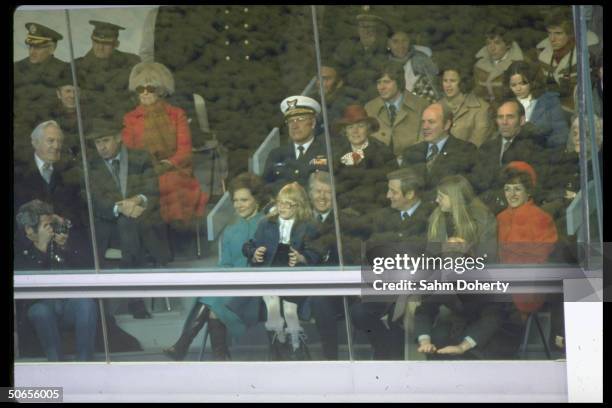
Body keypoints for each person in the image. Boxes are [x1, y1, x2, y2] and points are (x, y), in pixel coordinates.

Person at [164, 173, 268, 361]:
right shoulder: (230, 230)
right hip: (231, 288)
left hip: (256, 290)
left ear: (256, 200)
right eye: (235, 200)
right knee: (212, 301)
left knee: (213, 305)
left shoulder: (266, 224)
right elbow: (225, 265)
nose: (238, 205)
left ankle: (185, 345)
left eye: (244, 200)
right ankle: (219, 358)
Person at [351, 167, 434, 360]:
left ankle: (388, 361)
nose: (388, 195)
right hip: (383, 284)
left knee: (398, 313)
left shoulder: (430, 216)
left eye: (393, 191)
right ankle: (383, 348)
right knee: (359, 312)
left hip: (414, 285)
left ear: (411, 193)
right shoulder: (383, 216)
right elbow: (369, 252)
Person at [122, 62, 208, 233]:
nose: (145, 92)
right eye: (140, 89)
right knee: (151, 185)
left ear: (161, 90)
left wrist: (167, 164)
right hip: (143, 171)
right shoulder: (130, 118)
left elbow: (185, 150)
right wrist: (148, 167)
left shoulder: (177, 114)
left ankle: (176, 231)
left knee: (171, 182)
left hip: (175, 168)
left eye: (150, 88)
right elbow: (129, 151)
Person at [243, 182, 321, 359]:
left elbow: (316, 252)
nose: (283, 207)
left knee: (289, 311)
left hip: (294, 275)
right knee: (272, 306)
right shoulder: (266, 223)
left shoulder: (308, 225)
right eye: (280, 202)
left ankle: (295, 344)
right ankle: (279, 343)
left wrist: (302, 258)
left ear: (299, 206)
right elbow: (249, 246)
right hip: (270, 271)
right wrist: (254, 253)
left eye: (289, 204)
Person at [14, 200, 98, 361]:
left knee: (86, 304)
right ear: (29, 230)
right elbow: (26, 279)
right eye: (46, 225)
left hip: (67, 305)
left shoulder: (61, 240)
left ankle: (85, 363)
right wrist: (41, 247)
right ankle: (56, 362)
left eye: (51, 224)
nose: (51, 229)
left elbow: (88, 268)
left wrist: (65, 246)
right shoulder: (19, 247)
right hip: (40, 308)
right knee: (41, 311)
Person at [87, 118, 171, 269]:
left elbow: (152, 190)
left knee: (134, 222)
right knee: (126, 222)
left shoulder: (141, 157)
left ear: (118, 138)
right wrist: (120, 208)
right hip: (109, 224)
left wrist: (137, 200)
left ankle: (132, 273)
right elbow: (95, 199)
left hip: (141, 216)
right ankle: (137, 272)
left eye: (105, 140)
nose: (102, 147)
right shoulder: (90, 165)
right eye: (97, 142)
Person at [496, 162, 559, 342]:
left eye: (517, 189)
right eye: (507, 189)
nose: (512, 194)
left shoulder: (541, 217)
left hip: (528, 285)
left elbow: (542, 257)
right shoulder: (500, 217)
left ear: (528, 191)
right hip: (504, 284)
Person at [472, 99, 546, 214]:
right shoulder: (487, 147)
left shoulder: (533, 147)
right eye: (500, 117)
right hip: (485, 203)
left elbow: (532, 186)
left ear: (521, 120)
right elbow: (477, 179)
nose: (504, 122)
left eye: (510, 117)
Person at [400, 103, 477, 201]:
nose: (425, 127)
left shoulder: (465, 150)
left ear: (447, 125)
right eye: (423, 122)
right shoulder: (411, 152)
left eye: (431, 122)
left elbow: (460, 190)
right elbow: (403, 187)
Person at [332, 104, 396, 214]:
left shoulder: (383, 152)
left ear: (368, 128)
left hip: (374, 212)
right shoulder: (336, 154)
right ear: (345, 131)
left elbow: (389, 189)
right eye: (350, 127)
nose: (355, 131)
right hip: (342, 211)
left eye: (360, 126)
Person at [75, 20, 142, 123]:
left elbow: (140, 95)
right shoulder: (77, 67)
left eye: (106, 44)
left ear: (116, 44)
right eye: (96, 42)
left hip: (126, 120)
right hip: (93, 124)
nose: (100, 48)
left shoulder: (132, 63)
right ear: (92, 41)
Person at [536, 8, 599, 115]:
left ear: (571, 34)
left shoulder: (588, 55)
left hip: (580, 114)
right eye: (549, 33)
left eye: (558, 33)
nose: (552, 39)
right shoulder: (542, 54)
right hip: (550, 113)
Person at [263, 95, 329, 194]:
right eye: (290, 121)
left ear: (313, 122)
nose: (294, 126)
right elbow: (265, 186)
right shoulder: (277, 154)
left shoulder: (326, 151)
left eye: (301, 119)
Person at [365, 62, 429, 162]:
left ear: (399, 82)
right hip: (379, 166)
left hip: (413, 165)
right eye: (378, 82)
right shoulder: (369, 108)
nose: (381, 87)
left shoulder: (421, 106)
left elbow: (425, 142)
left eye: (386, 82)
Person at [426, 175, 497, 259]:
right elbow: (429, 256)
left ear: (455, 198)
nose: (436, 200)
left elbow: (489, 257)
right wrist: (442, 251)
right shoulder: (436, 217)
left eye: (441, 197)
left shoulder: (483, 219)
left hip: (473, 270)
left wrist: (467, 252)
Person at [504, 61, 568, 148]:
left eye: (523, 83)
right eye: (513, 85)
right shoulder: (506, 105)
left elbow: (562, 134)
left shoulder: (549, 101)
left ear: (531, 81)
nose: (518, 88)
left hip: (544, 154)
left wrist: (540, 142)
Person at [334, 12, 391, 100]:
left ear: (378, 30)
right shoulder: (347, 46)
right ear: (358, 29)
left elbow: (389, 72)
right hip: (349, 93)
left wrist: (370, 52)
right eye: (363, 27)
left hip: (378, 94)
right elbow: (338, 70)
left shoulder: (388, 47)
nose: (366, 31)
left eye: (371, 27)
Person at [472, 26, 525, 114]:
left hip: (512, 112)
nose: (492, 48)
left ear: (507, 44)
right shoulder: (479, 66)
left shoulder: (520, 65)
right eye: (488, 43)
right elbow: (477, 94)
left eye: (497, 43)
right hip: (484, 113)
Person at [439, 66, 493, 147]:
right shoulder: (437, 106)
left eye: (453, 81)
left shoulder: (482, 108)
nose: (448, 85)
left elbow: (476, 145)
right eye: (445, 81)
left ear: (463, 82)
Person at [387, 31, 441, 103]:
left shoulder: (421, 59)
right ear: (388, 44)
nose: (400, 45)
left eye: (404, 40)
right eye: (395, 41)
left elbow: (433, 90)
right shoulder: (383, 64)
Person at [310, 64, 359, 137]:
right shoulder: (311, 102)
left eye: (327, 79)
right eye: (319, 79)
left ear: (339, 83)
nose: (321, 83)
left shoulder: (349, 104)